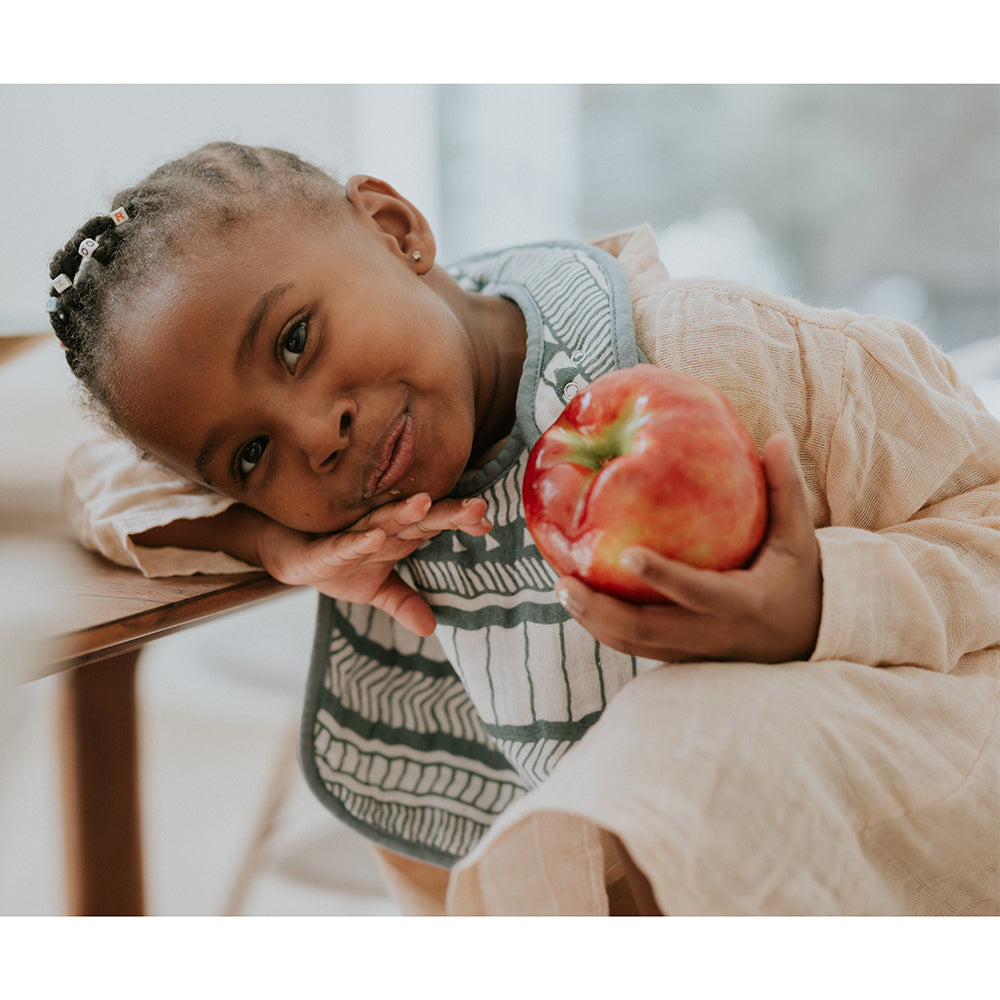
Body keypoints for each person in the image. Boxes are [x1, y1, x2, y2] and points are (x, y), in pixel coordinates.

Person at [54, 142, 999, 915]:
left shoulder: (712, 355)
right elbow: (95, 484)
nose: (314, 436)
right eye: (250, 456)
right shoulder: (376, 520)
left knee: (688, 727)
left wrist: (814, 606)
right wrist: (272, 541)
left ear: (394, 229)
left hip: (919, 798)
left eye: (296, 340)